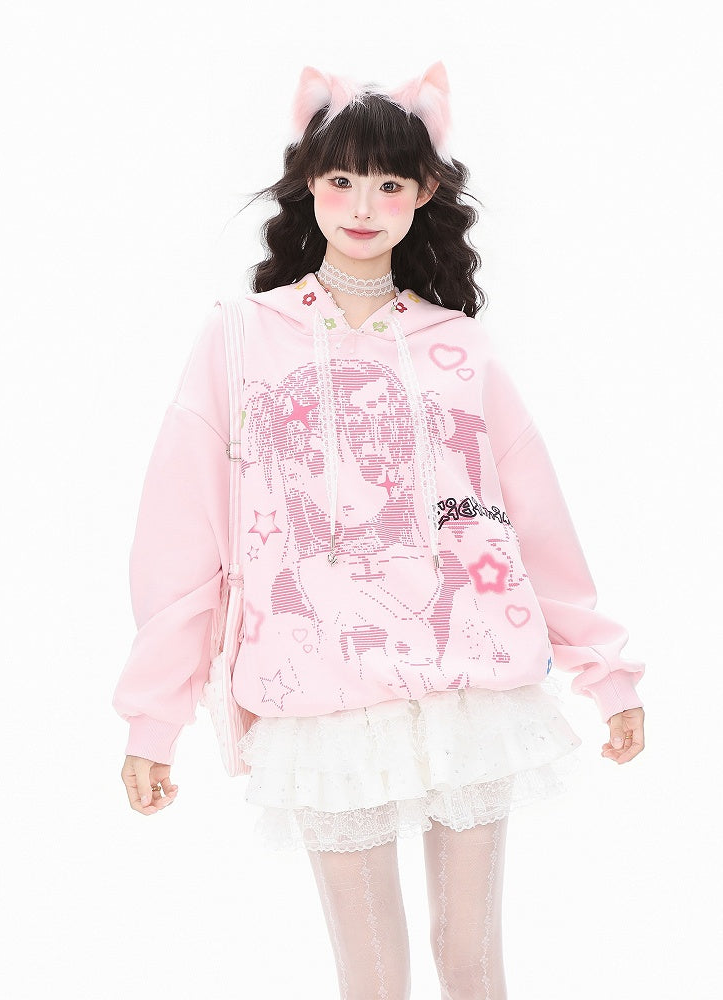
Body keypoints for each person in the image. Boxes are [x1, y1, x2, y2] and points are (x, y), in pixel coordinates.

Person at [113, 62, 646, 1000]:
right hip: (318, 689)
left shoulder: (456, 344)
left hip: (469, 680)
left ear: (425, 192)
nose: (364, 205)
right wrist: (154, 717)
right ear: (310, 185)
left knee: (471, 962)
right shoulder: (240, 337)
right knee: (372, 977)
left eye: (390, 182)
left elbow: (527, 517)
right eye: (342, 179)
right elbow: (182, 531)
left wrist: (604, 669)